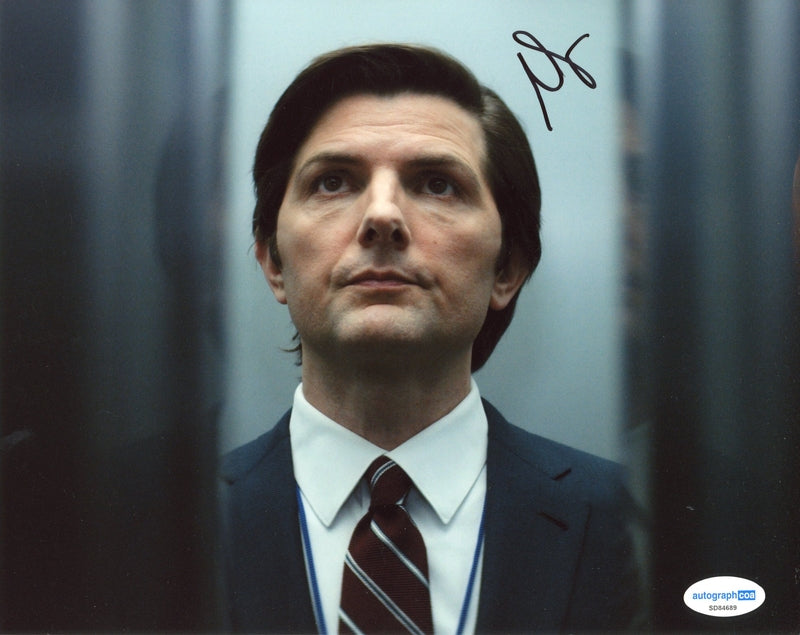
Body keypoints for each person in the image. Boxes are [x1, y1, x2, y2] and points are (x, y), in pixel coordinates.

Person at [220, 43, 640, 633]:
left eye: (437, 185)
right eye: (333, 182)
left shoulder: (634, 523)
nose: (382, 216)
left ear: (507, 268)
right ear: (273, 261)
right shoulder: (152, 522)